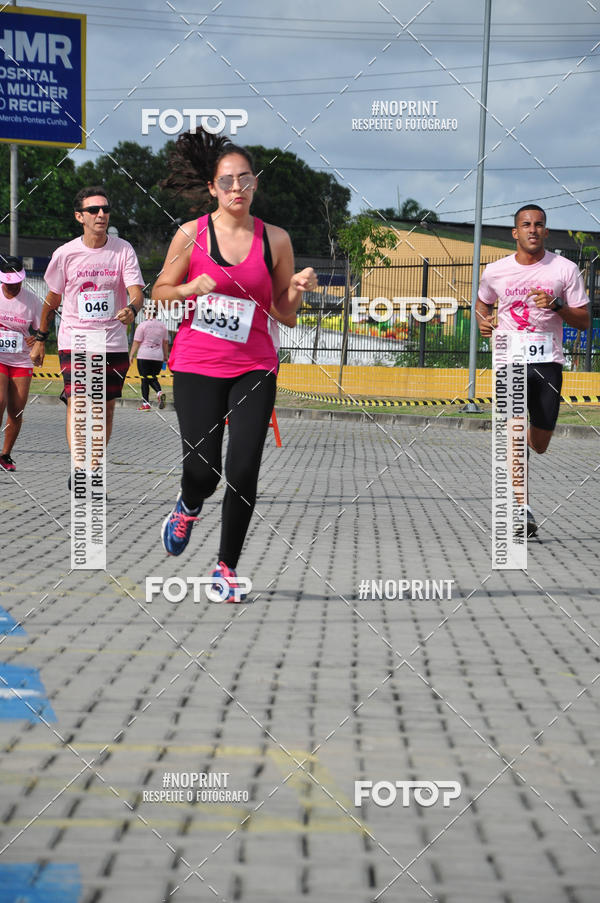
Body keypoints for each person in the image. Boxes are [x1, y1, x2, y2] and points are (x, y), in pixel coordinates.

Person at [152, 128, 316, 599]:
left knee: (243, 467)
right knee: (204, 472)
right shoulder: (192, 234)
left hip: (255, 365)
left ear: (256, 183)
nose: (237, 189)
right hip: (197, 363)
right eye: (227, 181)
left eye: (245, 179)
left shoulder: (276, 240)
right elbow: (161, 292)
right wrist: (188, 289)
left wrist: (298, 291)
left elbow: (283, 312)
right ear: (212, 188)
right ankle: (188, 503)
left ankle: (225, 569)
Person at [477, 204, 590, 536]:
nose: (532, 230)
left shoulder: (565, 270)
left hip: (547, 362)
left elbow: (584, 321)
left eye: (539, 225)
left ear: (546, 231)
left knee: (539, 441)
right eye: (526, 225)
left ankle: (522, 454)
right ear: (515, 232)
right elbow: (482, 302)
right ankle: (521, 507)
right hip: (508, 360)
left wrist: (556, 305)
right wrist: (484, 321)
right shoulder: (495, 270)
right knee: (513, 433)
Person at [30, 186, 144, 485]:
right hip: (75, 338)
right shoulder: (65, 254)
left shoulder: (123, 250)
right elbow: (51, 302)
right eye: (94, 210)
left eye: (105, 209)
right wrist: (41, 339)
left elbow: (136, 293)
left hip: (113, 341)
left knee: (105, 408)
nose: (101, 214)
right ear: (80, 216)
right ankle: (79, 467)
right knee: (79, 402)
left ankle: (94, 466)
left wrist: (132, 308)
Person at [0, 256, 42, 472]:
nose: (13, 287)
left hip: (21, 359)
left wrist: (35, 339)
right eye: (8, 283)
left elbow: (39, 330)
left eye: (16, 282)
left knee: (16, 410)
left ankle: (5, 454)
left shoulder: (32, 301)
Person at [129, 302, 169, 410]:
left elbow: (136, 342)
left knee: (144, 379)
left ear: (147, 312)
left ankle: (146, 404)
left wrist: (131, 355)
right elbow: (165, 342)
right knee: (153, 378)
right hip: (158, 357)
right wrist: (165, 356)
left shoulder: (143, 325)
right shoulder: (163, 326)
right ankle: (159, 393)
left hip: (144, 355)